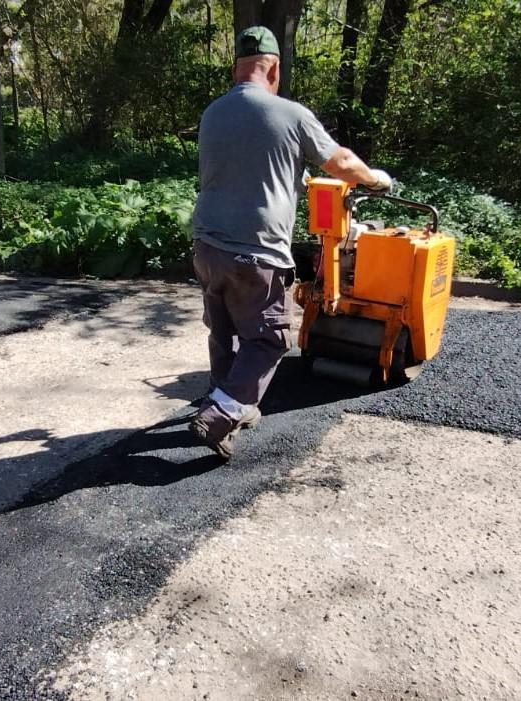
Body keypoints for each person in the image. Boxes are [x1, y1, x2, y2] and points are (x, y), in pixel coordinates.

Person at [189, 26, 392, 458]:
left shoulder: (213, 113)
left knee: (224, 331)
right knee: (271, 339)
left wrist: (293, 178)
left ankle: (226, 402)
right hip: (255, 251)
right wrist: (374, 179)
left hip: (207, 247)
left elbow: (244, 166)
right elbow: (339, 161)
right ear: (275, 69)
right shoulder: (291, 114)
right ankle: (221, 412)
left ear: (236, 69)